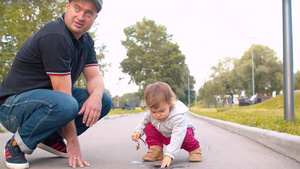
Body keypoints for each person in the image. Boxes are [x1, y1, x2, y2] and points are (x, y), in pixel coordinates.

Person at [0, 0, 113, 168]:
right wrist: (73, 141)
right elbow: (63, 94)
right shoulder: (56, 35)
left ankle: (48, 137)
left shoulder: (85, 41)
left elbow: (94, 78)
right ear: (67, 7)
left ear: (95, 17)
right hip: (13, 107)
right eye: (77, 8)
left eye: (88, 13)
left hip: (47, 102)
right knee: (66, 104)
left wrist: (96, 96)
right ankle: (16, 145)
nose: (80, 17)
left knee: (103, 100)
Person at [131, 82, 202, 168]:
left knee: (186, 137)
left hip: (182, 135)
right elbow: (143, 122)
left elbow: (177, 137)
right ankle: (156, 149)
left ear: (170, 103)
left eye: (162, 111)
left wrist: (169, 155)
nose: (158, 115)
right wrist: (138, 132)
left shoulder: (178, 117)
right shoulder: (150, 114)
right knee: (149, 126)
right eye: (153, 111)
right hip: (164, 134)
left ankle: (195, 150)